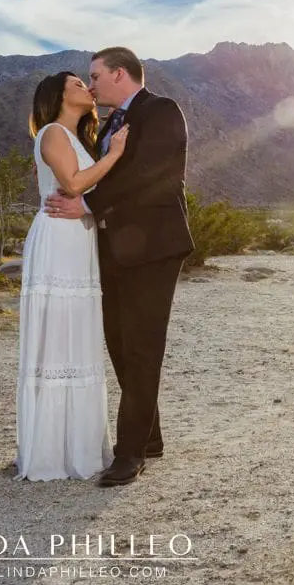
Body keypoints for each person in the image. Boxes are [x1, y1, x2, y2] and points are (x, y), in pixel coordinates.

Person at [44, 47, 194, 487]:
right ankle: (150, 438)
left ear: (120, 73)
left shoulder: (161, 111)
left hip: (155, 247)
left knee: (142, 348)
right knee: (119, 344)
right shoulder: (110, 125)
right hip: (113, 249)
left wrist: (87, 204)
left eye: (94, 76)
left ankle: (130, 455)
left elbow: (148, 173)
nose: (90, 85)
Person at [17, 71, 130, 481]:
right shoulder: (52, 133)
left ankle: (75, 445)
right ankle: (49, 452)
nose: (88, 88)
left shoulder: (77, 139)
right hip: (58, 239)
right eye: (79, 84)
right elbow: (73, 184)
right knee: (58, 336)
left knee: (76, 335)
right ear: (60, 96)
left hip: (77, 239)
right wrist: (114, 155)